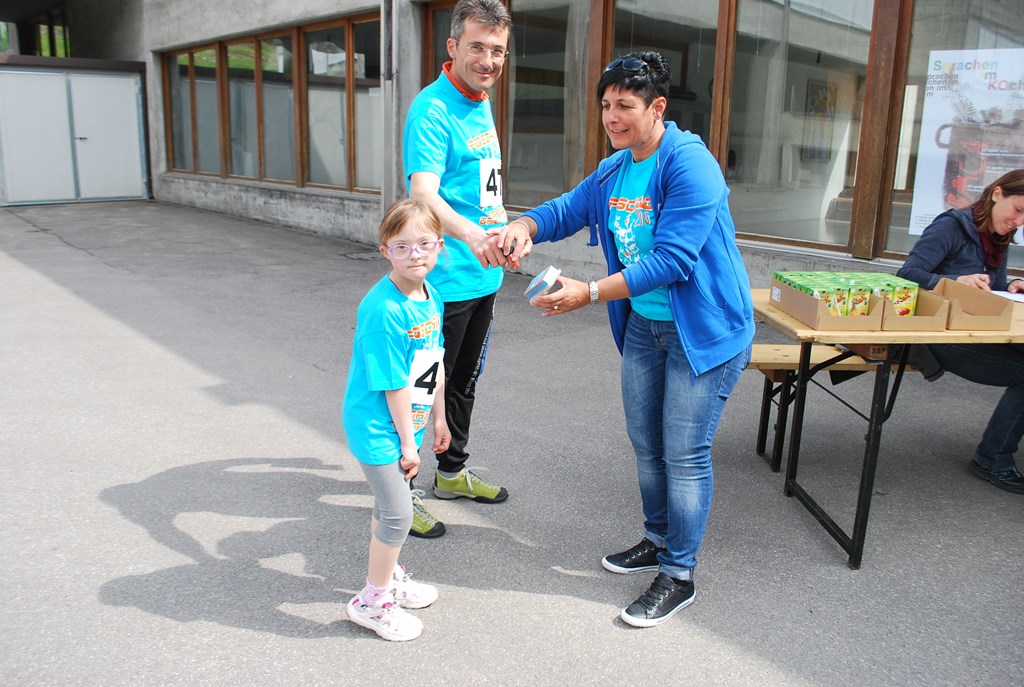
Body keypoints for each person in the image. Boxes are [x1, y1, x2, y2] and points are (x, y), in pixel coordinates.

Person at [496, 52, 754, 627]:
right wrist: (524, 225)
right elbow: (569, 208)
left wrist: (588, 292)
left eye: (625, 106)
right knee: (645, 442)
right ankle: (658, 539)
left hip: (702, 330)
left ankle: (679, 574)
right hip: (644, 326)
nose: (612, 117)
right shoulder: (615, 168)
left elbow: (672, 260)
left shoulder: (690, 164)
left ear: (657, 107)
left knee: (684, 452)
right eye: (606, 105)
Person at [402, 0, 513, 537]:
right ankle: (400, 495)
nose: (488, 60)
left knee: (463, 384)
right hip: (443, 281)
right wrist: (471, 235)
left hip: (484, 278)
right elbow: (423, 193)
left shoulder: (480, 100)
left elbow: (481, 189)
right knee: (419, 390)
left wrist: (504, 230)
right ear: (452, 47)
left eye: (498, 51)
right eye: (477, 47)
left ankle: (450, 473)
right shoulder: (432, 109)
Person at [342, 199, 451, 641]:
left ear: (440, 246)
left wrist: (440, 419)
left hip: (409, 420)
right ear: (385, 251)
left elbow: (433, 362)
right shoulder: (383, 310)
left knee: (387, 506)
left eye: (424, 244)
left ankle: (388, 580)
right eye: (402, 247)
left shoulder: (430, 295)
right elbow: (393, 385)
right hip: (378, 426)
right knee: (398, 514)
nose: (415, 254)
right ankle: (372, 601)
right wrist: (408, 444)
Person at [897, 169, 1024, 495]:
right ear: (997, 193)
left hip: (980, 329)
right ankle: (992, 459)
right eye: (1018, 210)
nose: (1018, 222)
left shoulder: (997, 235)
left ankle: (994, 453)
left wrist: (1011, 286)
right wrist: (954, 282)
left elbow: (993, 289)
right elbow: (906, 274)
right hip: (941, 335)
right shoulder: (951, 226)